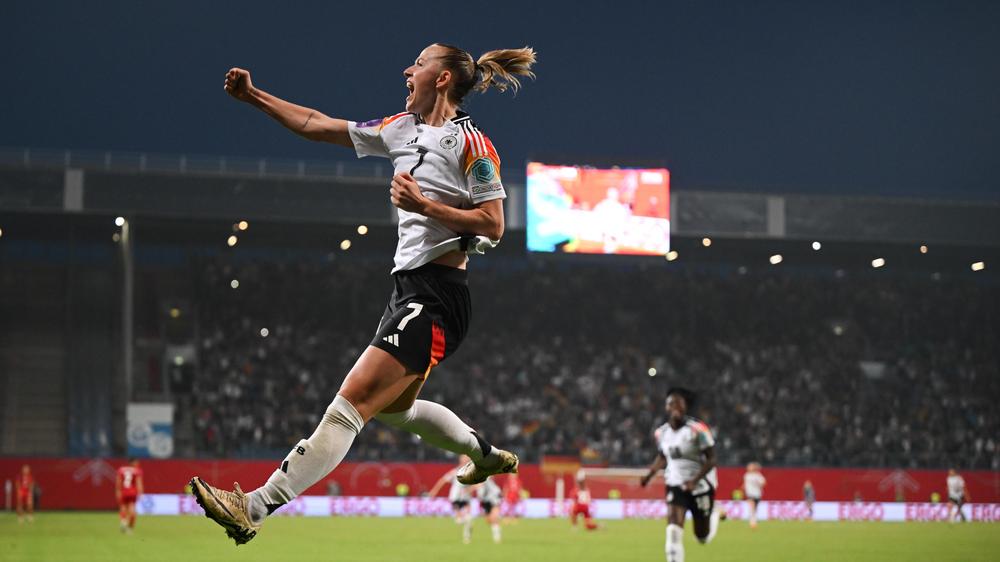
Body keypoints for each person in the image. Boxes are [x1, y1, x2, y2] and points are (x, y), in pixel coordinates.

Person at [191, 43, 536, 546]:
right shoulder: (400, 128)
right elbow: (317, 123)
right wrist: (254, 97)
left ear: (441, 78)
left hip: (438, 296)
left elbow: (495, 224)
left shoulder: (473, 145)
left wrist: (424, 204)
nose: (407, 69)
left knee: (349, 404)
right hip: (407, 291)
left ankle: (256, 506)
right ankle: (481, 455)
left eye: (418, 63)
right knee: (398, 412)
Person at [640, 388, 720, 562]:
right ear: (666, 407)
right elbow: (662, 456)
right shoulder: (661, 433)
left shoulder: (698, 430)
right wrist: (649, 475)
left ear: (685, 407)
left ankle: (713, 515)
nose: (674, 406)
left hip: (700, 486)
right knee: (673, 532)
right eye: (671, 403)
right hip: (675, 483)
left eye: (679, 403)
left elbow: (712, 459)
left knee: (702, 537)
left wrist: (695, 480)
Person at [428, 456, 475, 543]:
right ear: (460, 461)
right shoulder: (455, 472)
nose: (466, 461)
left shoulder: (472, 472)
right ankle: (464, 521)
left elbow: (476, 484)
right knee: (459, 521)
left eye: (467, 459)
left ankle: (467, 538)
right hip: (455, 498)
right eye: (464, 459)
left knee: (469, 517)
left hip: (466, 498)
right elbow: (442, 480)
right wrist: (434, 491)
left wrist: (470, 490)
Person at [116, 458, 144, 533]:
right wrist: (141, 493)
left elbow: (118, 482)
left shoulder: (121, 470)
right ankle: (130, 528)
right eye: (137, 462)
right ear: (132, 462)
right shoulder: (137, 471)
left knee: (123, 507)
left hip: (123, 492)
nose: (138, 464)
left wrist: (118, 491)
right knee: (132, 509)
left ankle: (123, 520)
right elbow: (139, 483)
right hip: (132, 493)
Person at [474, 477, 504, 543]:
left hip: (494, 498)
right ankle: (496, 522)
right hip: (485, 501)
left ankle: (497, 537)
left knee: (494, 518)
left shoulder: (486, 478)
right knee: (488, 520)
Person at [743, 462, 766, 528]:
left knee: (755, 508)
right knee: (752, 507)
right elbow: (745, 484)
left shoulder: (758, 476)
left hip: (757, 494)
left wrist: (758, 484)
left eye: (750, 466)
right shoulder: (746, 475)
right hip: (750, 494)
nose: (749, 468)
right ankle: (752, 522)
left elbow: (763, 483)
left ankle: (753, 519)